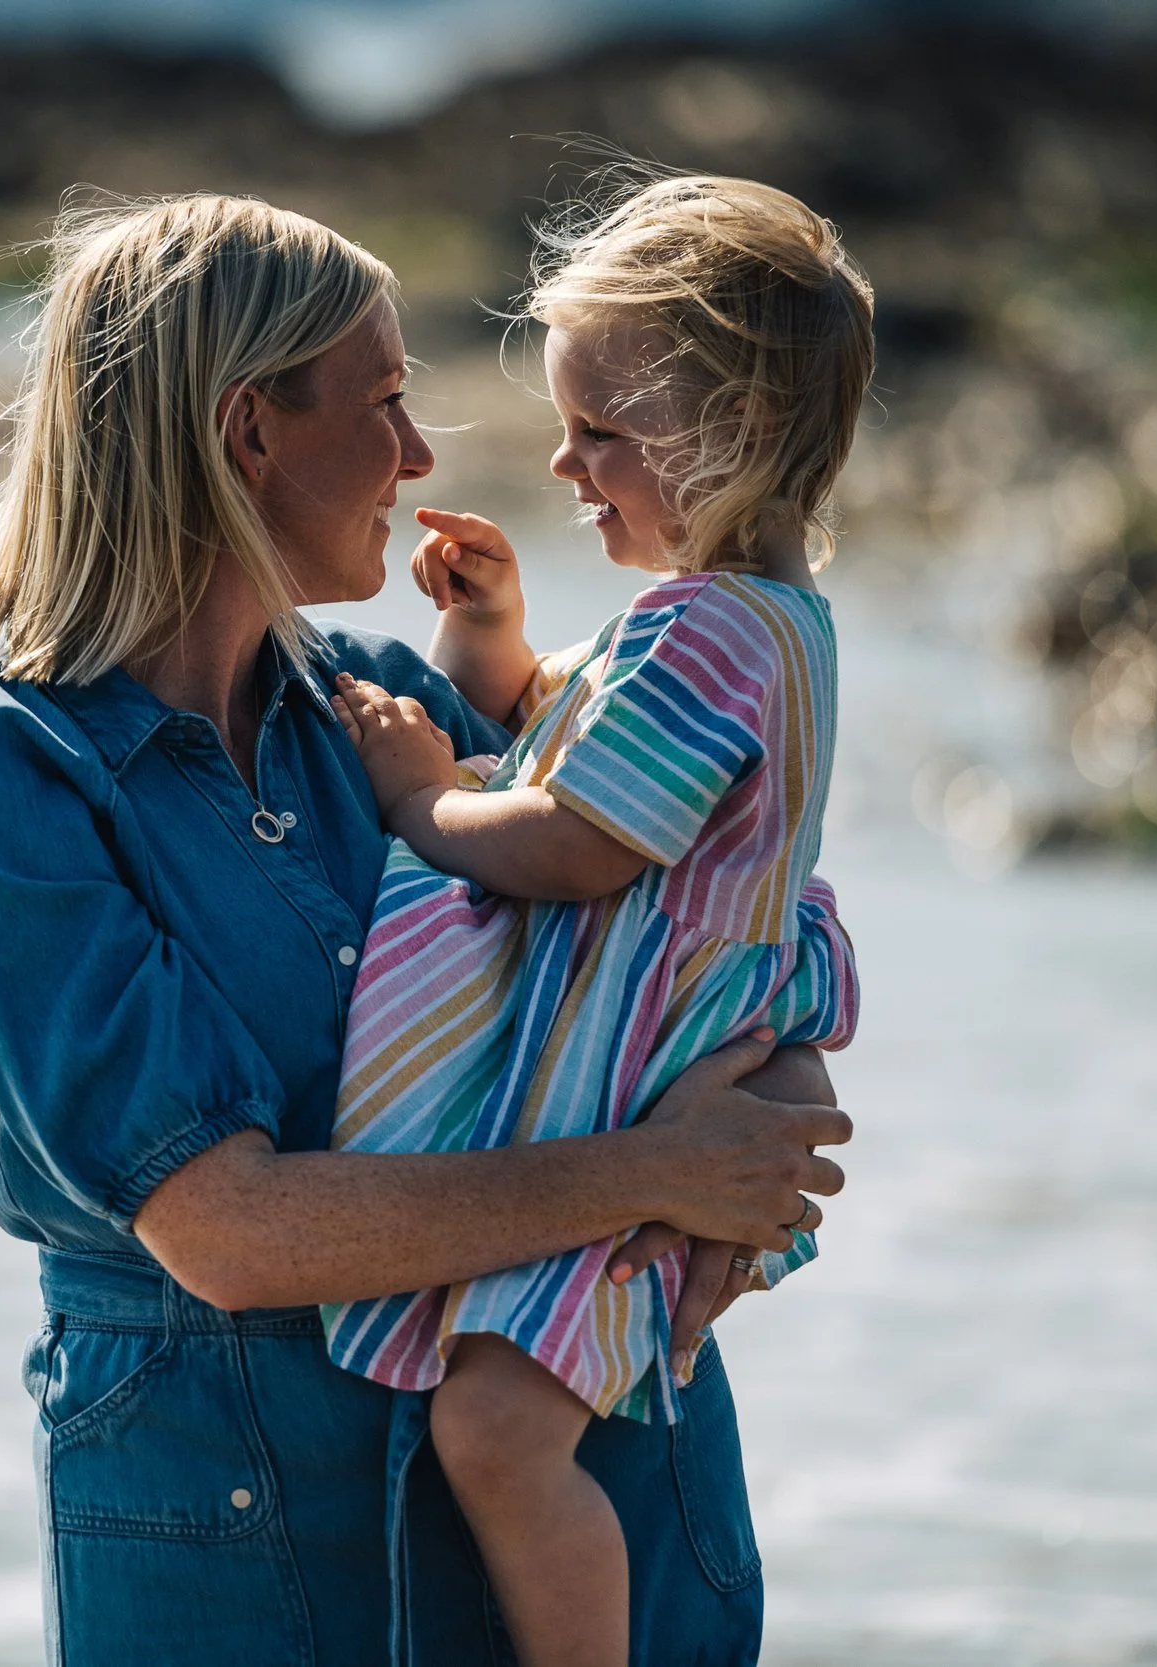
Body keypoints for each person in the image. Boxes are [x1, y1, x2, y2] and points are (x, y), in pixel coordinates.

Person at [0, 191, 851, 1667]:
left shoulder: (396, 708)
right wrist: (654, 1172)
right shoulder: (6, 794)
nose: (419, 455)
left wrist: (779, 1117)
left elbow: (728, 895)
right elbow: (231, 1229)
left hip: (608, 1542)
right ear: (246, 432)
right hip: (259, 1569)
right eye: (387, 400)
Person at [318, 174, 876, 1667]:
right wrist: (493, 640)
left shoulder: (703, 629)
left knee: (496, 1430)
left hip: (634, 1082)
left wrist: (424, 801)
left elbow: (574, 837)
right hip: (688, 1068)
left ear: (739, 433)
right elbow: (580, 736)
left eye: (605, 433)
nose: (567, 463)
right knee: (505, 1417)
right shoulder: (774, 622)